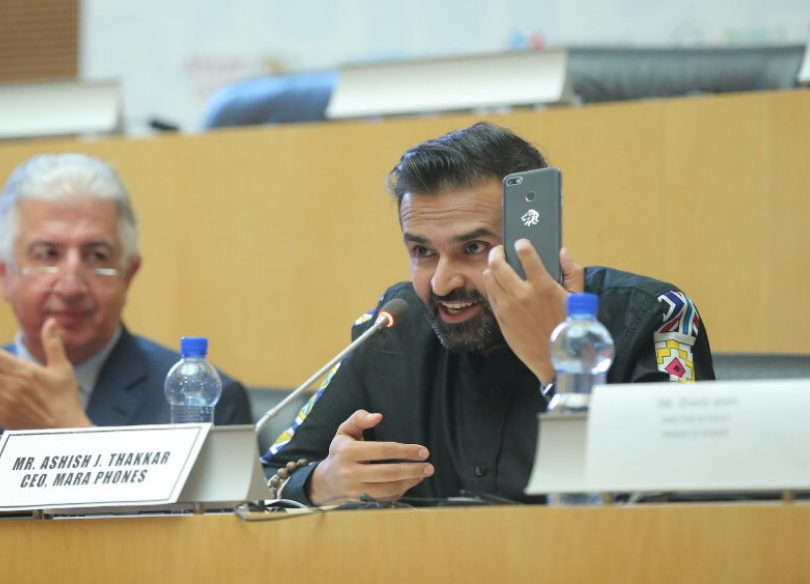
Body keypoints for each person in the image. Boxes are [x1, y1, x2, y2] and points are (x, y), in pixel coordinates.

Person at [263, 122, 714, 506]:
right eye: (422, 251)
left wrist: (559, 369)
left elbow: (682, 499)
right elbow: (262, 481)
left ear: (534, 242)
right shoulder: (392, 329)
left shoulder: (652, 315)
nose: (442, 283)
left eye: (473, 248)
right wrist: (322, 483)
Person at [0, 153, 252, 508]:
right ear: (4, 273)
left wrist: (74, 437)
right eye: (48, 254)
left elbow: (211, 542)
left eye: (96, 256)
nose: (71, 286)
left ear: (128, 274)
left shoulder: (202, 400)